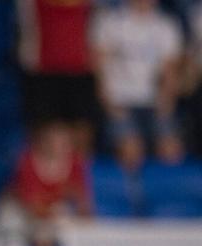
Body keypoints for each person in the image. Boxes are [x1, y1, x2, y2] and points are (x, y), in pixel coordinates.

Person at [91, 0, 186, 170]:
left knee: (171, 151)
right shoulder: (111, 22)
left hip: (154, 100)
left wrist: (166, 103)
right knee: (130, 150)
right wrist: (108, 101)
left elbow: (169, 70)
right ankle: (131, 193)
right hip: (119, 100)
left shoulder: (165, 25)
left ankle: (163, 195)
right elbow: (100, 66)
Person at [16, 0, 98, 153]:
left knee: (82, 132)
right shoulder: (33, 4)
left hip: (79, 71)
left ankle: (78, 173)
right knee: (43, 133)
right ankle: (39, 175)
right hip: (44, 72)